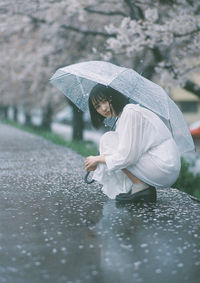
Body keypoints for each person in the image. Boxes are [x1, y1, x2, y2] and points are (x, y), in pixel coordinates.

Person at [85, 84, 181, 202]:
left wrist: (98, 159)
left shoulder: (130, 112)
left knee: (108, 140)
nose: (103, 108)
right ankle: (137, 186)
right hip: (161, 165)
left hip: (163, 166)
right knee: (110, 138)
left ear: (112, 96)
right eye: (97, 106)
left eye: (104, 101)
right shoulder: (124, 116)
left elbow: (127, 157)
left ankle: (140, 187)